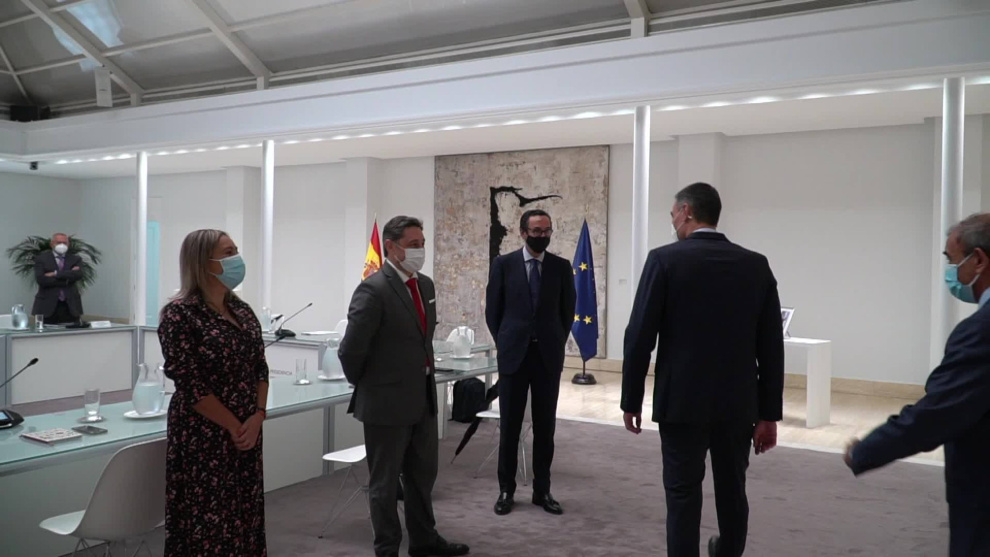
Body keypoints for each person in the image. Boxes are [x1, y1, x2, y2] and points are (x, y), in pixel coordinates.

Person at [621, 182, 784, 557]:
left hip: (680, 403)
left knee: (682, 494)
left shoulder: (663, 260)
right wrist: (769, 415)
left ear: (686, 211)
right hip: (737, 405)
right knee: (733, 490)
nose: (672, 221)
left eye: (672, 214)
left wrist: (631, 399)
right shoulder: (755, 265)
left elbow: (639, 336)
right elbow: (771, 347)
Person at [844, 213, 990, 557]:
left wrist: (866, 450)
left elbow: (938, 413)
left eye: (953, 261)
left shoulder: (981, 331)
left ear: (979, 260)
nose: (951, 273)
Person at [338, 216, 469, 557]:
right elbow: (351, 350)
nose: (420, 250)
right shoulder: (373, 289)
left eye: (422, 244)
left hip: (422, 397)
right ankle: (387, 548)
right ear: (391, 247)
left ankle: (424, 540)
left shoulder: (425, 285)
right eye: (413, 245)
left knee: (422, 476)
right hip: (385, 403)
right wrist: (371, 385)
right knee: (385, 484)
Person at [158, 229, 269, 556]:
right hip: (204, 435)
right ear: (203, 262)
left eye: (236, 250)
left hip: (248, 430)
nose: (237, 258)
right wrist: (235, 426)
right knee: (208, 521)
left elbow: (260, 367)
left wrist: (258, 416)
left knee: (245, 513)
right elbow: (189, 383)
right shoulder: (180, 314)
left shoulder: (242, 310)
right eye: (228, 252)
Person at [485, 209, 576, 516]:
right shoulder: (503, 265)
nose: (542, 236)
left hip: (547, 357)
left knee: (545, 428)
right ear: (523, 233)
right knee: (509, 427)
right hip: (513, 356)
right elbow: (493, 311)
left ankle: (542, 490)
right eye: (536, 231)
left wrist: (554, 340)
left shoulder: (561, 267)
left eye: (547, 230)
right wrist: (506, 341)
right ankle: (506, 490)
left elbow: (567, 312)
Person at [32, 233, 84, 324]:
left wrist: (55, 273)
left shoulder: (75, 259)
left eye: (65, 243)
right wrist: (67, 279)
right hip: (47, 306)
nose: (62, 245)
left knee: (72, 332)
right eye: (59, 242)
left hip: (70, 307)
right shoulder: (41, 259)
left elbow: (78, 275)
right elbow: (41, 280)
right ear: (52, 244)